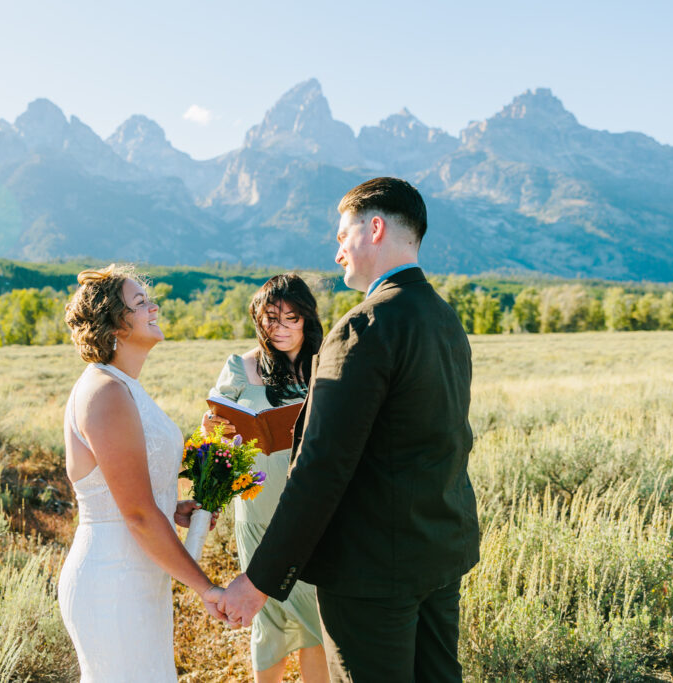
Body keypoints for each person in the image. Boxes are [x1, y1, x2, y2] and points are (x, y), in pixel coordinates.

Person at [216, 178, 480, 682]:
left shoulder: (363, 328)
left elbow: (320, 468)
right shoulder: (445, 319)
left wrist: (259, 581)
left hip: (371, 574)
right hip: (439, 556)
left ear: (375, 228)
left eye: (342, 236)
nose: (337, 251)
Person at [57, 264, 223, 682]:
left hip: (138, 575)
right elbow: (135, 514)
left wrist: (173, 508)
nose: (155, 306)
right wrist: (208, 588)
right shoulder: (105, 392)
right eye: (140, 302)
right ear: (115, 324)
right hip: (112, 580)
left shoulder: (124, 386)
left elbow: (140, 500)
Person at [201, 274, 330, 683]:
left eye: (291, 318)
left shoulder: (327, 364)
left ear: (307, 319)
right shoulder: (240, 367)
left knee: (315, 620)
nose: (280, 328)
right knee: (267, 619)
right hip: (255, 513)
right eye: (270, 319)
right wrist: (213, 433)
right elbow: (217, 436)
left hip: (313, 517)